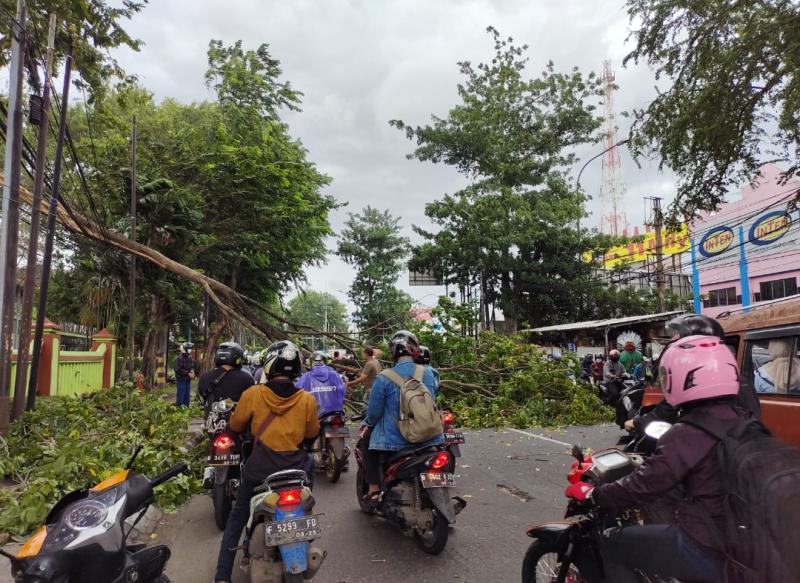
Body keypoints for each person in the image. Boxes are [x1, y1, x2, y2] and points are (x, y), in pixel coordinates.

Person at [579, 333, 742, 582]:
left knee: (611, 543)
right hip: (745, 539)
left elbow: (645, 484)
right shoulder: (748, 421)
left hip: (706, 543)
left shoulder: (689, 432)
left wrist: (598, 495)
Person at [213, 340, 320, 583]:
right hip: (297, 472)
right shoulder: (307, 400)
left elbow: (235, 426)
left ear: (270, 365)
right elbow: (312, 434)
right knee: (304, 507)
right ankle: (303, 534)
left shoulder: (253, 395)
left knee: (237, 519)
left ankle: (221, 577)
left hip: (260, 471)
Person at [360, 330, 442, 504]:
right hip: (430, 437)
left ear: (393, 352)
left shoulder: (384, 378)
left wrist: (367, 424)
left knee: (365, 441)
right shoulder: (428, 373)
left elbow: (374, 413)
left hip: (395, 441)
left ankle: (374, 489)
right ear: (415, 350)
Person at [197, 342, 254, 413]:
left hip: (211, 421)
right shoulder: (246, 379)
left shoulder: (204, 378)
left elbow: (202, 397)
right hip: (236, 422)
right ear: (238, 359)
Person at [296, 351, 347, 415]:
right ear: (325, 362)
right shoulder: (335, 375)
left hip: (315, 415)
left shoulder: (306, 377)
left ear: (312, 362)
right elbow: (343, 390)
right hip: (336, 412)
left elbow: (296, 392)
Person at [172, 342, 195, 407]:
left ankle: (186, 408)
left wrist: (192, 371)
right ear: (185, 349)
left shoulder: (189, 357)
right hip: (181, 380)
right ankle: (179, 408)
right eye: (189, 348)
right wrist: (187, 373)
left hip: (188, 380)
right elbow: (177, 369)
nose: (190, 350)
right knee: (181, 395)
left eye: (190, 348)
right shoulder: (179, 358)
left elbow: (192, 366)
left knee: (187, 395)